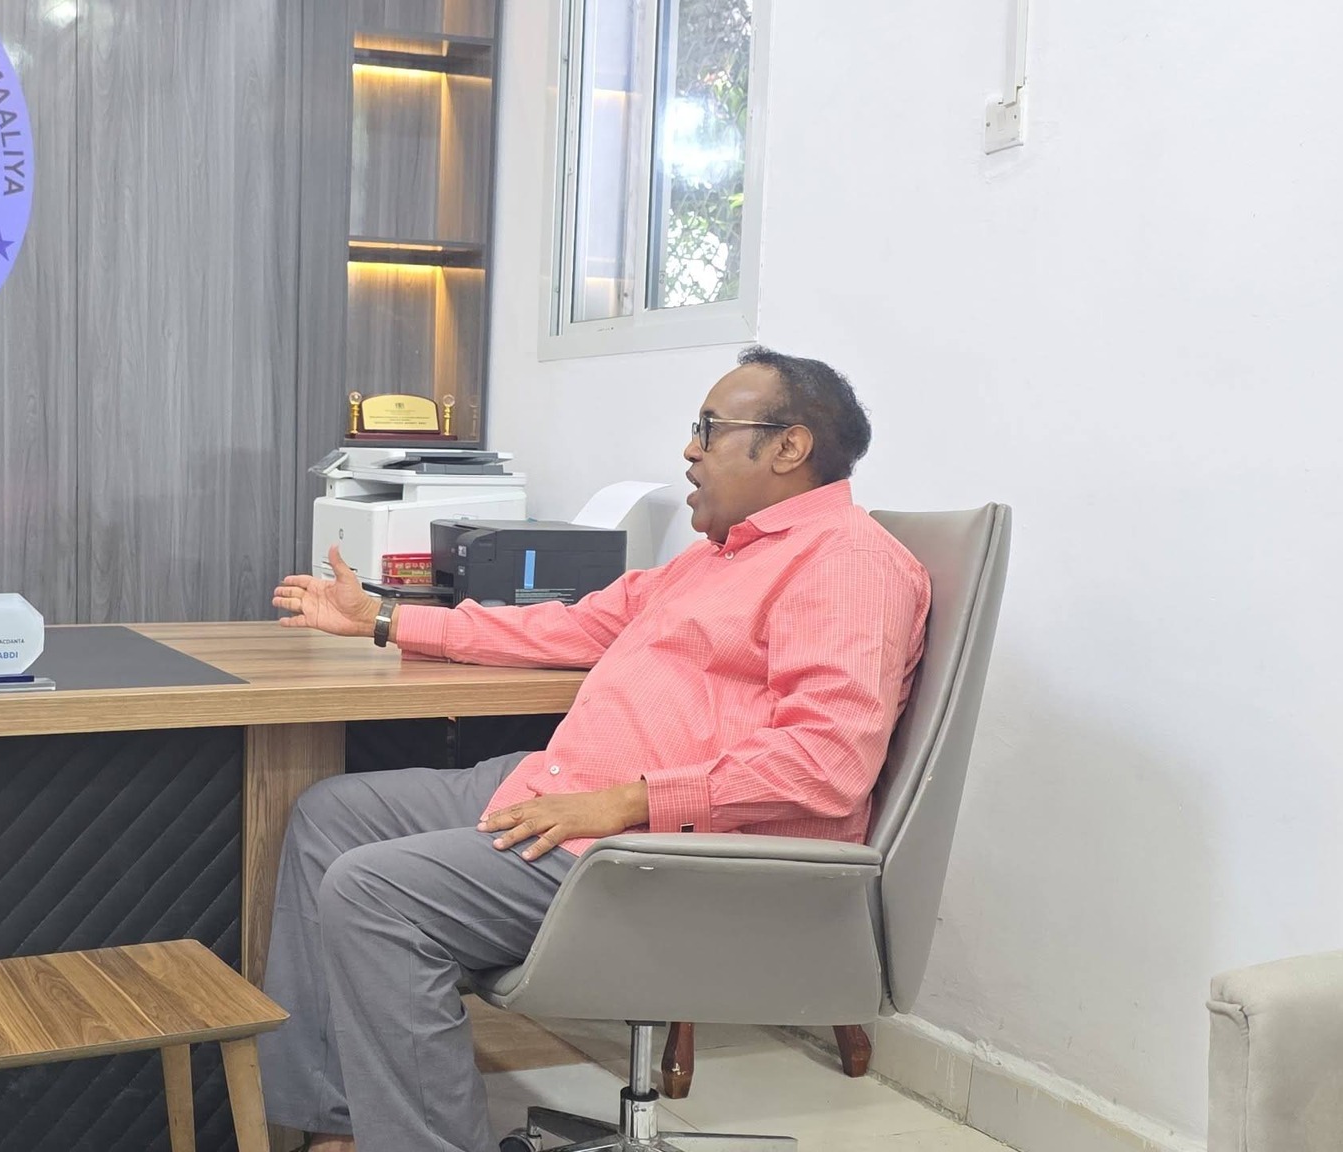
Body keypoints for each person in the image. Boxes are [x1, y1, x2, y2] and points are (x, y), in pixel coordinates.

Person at [260, 347, 933, 1151]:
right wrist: (384, 618)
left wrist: (625, 801)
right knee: (332, 814)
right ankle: (340, 1127)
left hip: (669, 852)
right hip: (579, 794)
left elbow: (826, 762)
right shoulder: (715, 558)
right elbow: (570, 626)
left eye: (709, 428)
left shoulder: (848, 563)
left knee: (375, 893)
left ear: (789, 447)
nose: (689, 449)